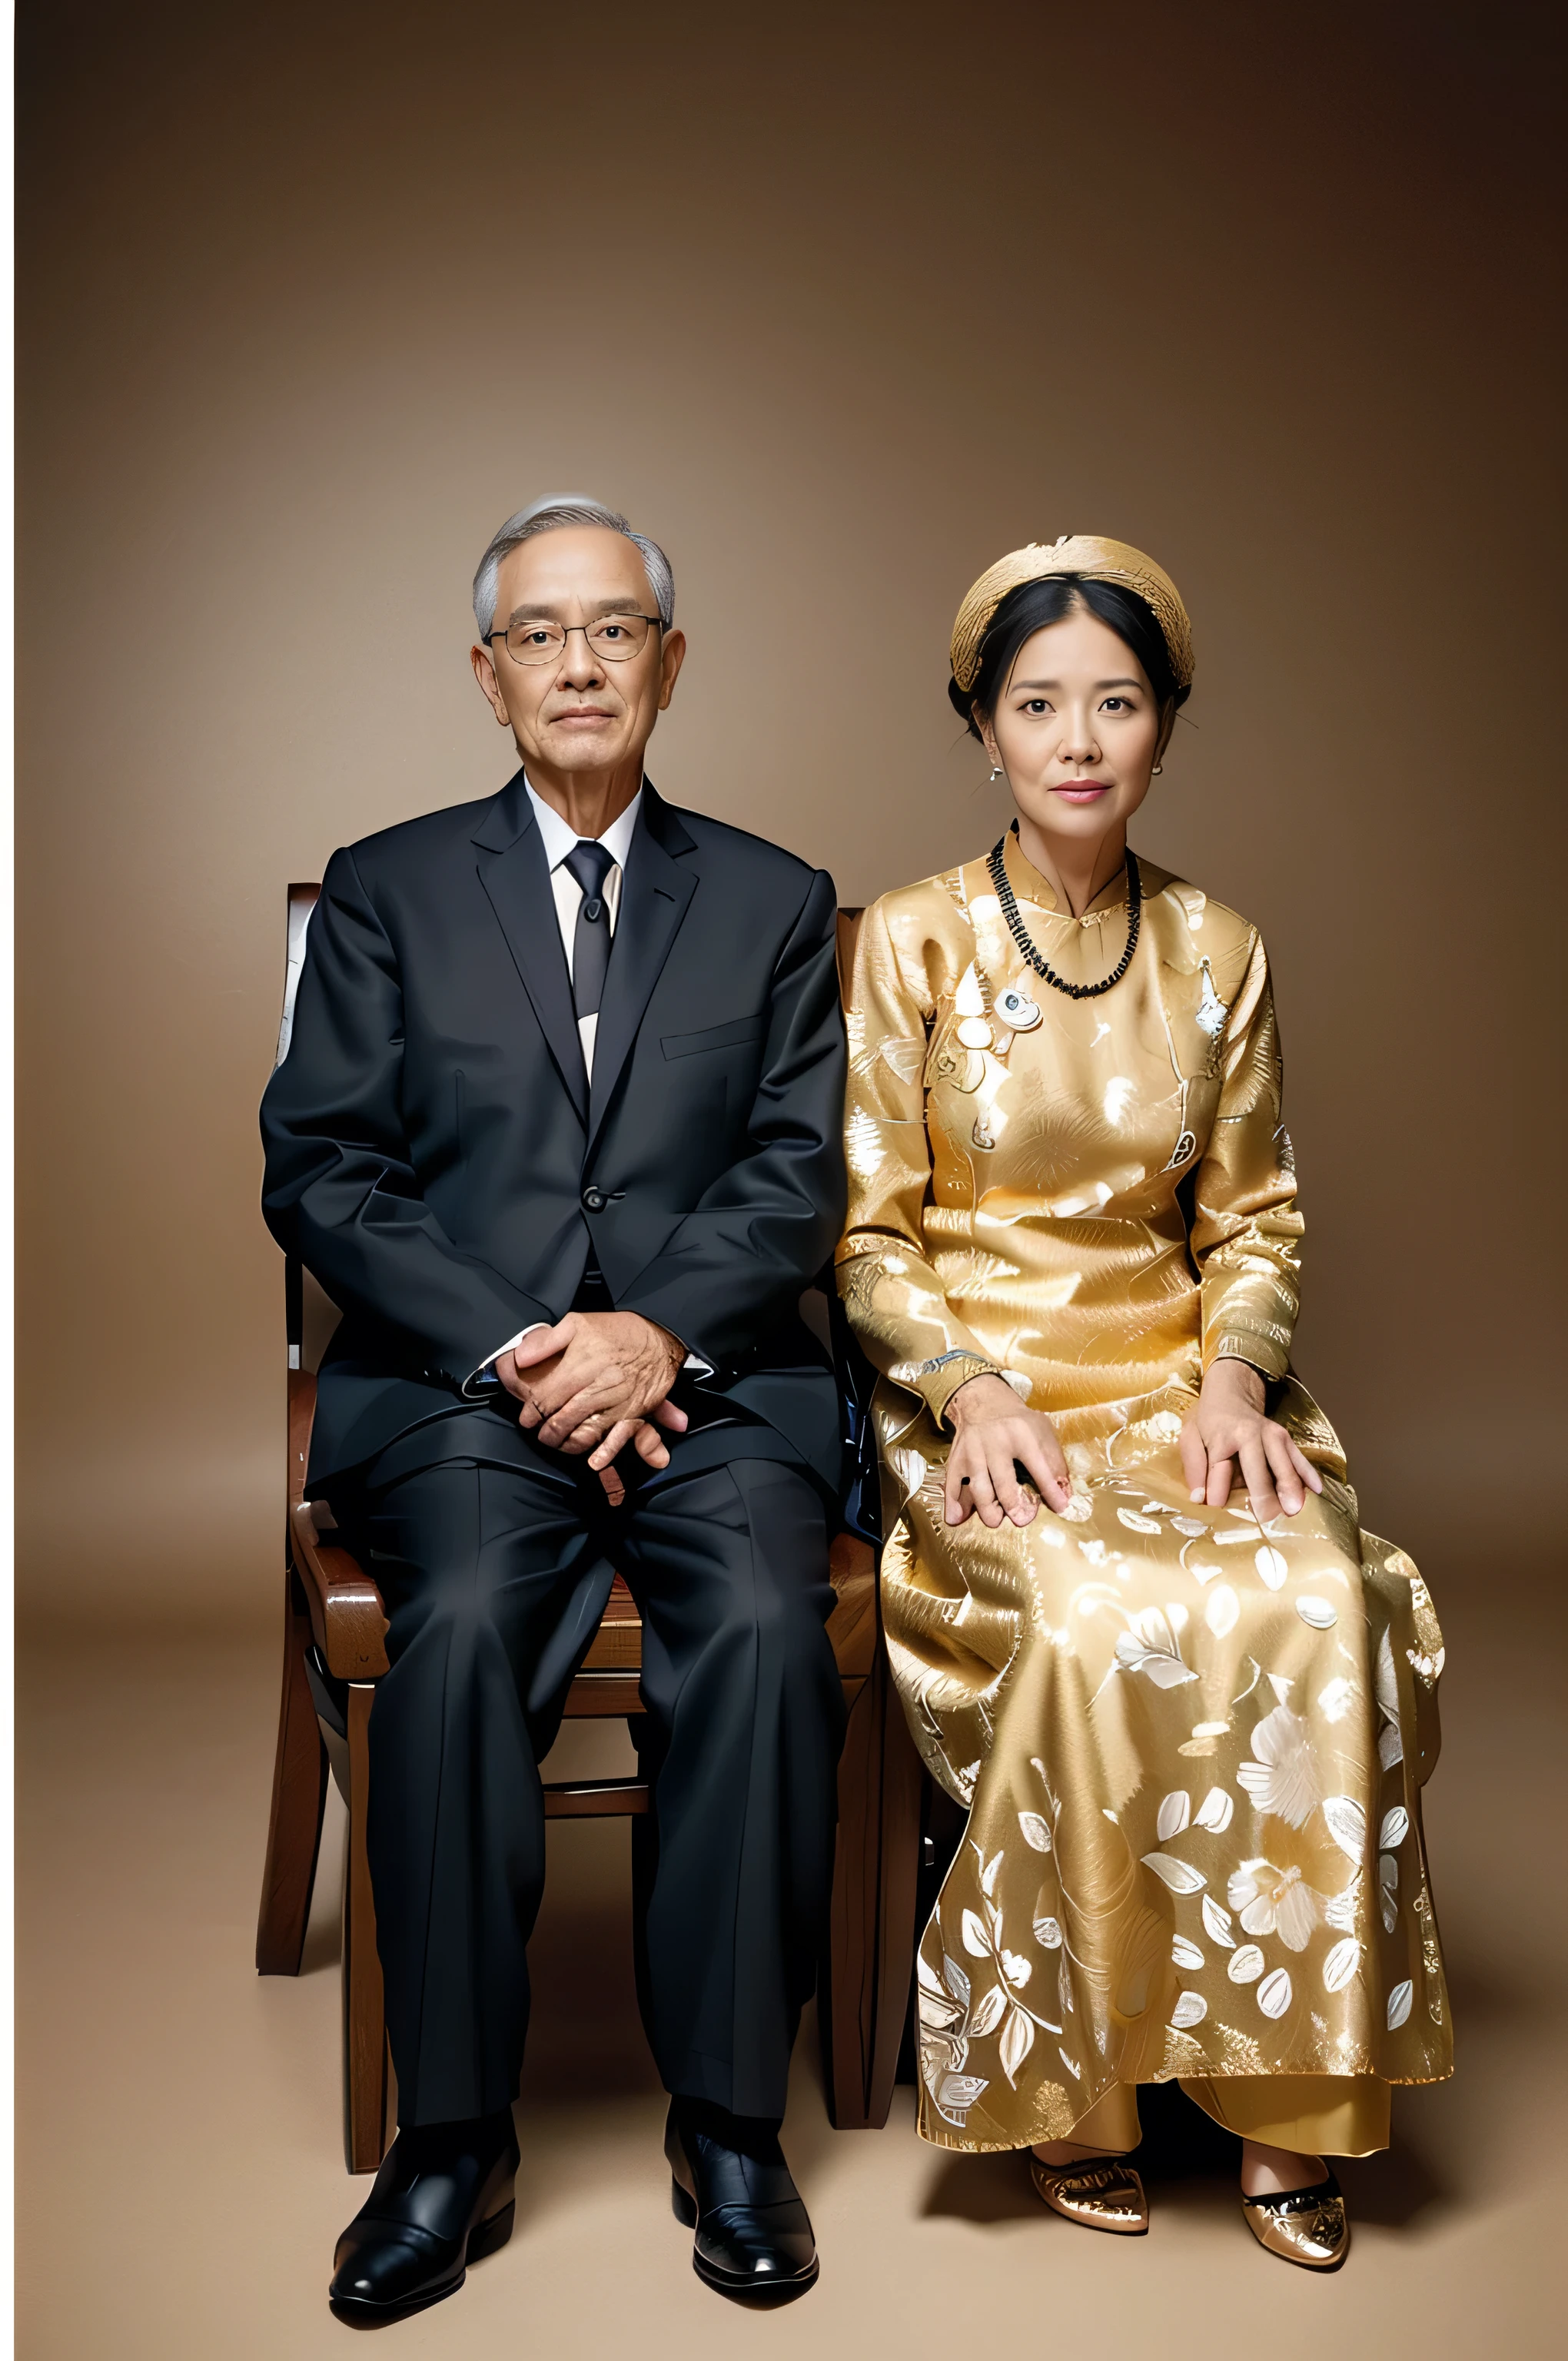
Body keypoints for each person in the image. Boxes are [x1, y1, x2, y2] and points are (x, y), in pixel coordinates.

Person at [261, 496, 847, 2319]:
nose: (579, 663)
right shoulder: (387, 886)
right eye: (540, 634)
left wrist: (656, 1331)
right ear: (486, 674)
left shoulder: (767, 898)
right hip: (462, 1391)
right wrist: (532, 1338)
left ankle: (731, 2118)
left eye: (615, 631)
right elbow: (325, 1171)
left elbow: (797, 1168)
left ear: (669, 664)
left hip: (718, 1383)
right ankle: (454, 2134)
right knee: (446, 1626)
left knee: (760, 1622)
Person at [836, 535, 1451, 2270]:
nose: (1079, 737)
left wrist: (1237, 1378)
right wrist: (968, 1392)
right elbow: (872, 1234)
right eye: (1041, 704)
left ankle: (1287, 2111)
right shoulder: (913, 942)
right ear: (985, 729)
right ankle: (1079, 2096)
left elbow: (1254, 1219)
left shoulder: (1221, 948)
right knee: (1098, 1615)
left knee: (1312, 1598)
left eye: (1117, 700)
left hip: (1189, 1394)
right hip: (983, 1403)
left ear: (1165, 724)